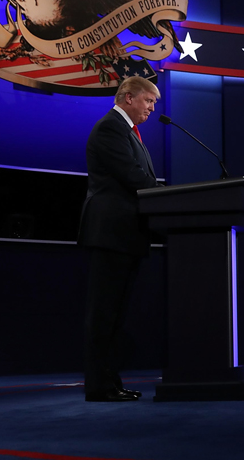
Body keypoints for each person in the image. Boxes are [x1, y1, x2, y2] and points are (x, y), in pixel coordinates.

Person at [78, 76, 162, 402]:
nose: (152, 109)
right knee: (104, 314)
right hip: (111, 233)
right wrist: (169, 196)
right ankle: (99, 386)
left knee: (115, 316)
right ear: (128, 98)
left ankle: (110, 383)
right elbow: (133, 177)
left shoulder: (129, 134)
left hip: (127, 235)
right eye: (148, 101)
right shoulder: (110, 128)